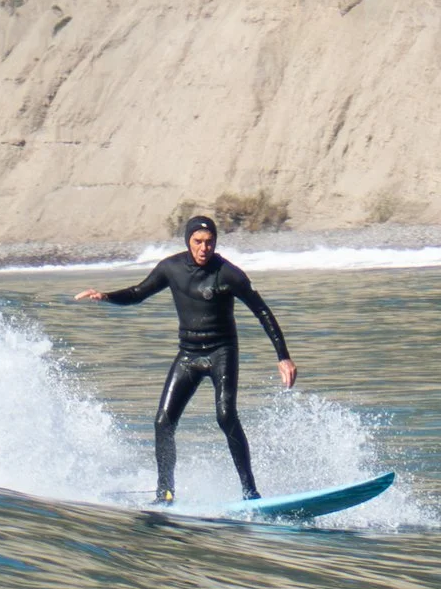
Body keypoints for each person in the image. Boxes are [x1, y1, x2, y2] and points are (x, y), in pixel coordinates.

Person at [77, 215, 296, 503]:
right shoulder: (171, 268)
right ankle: (165, 493)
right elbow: (138, 293)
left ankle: (250, 493)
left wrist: (283, 357)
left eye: (209, 242)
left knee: (225, 415)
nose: (204, 248)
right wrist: (105, 296)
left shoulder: (229, 274)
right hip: (189, 355)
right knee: (163, 422)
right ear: (188, 241)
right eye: (198, 242)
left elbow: (262, 311)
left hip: (222, 352)